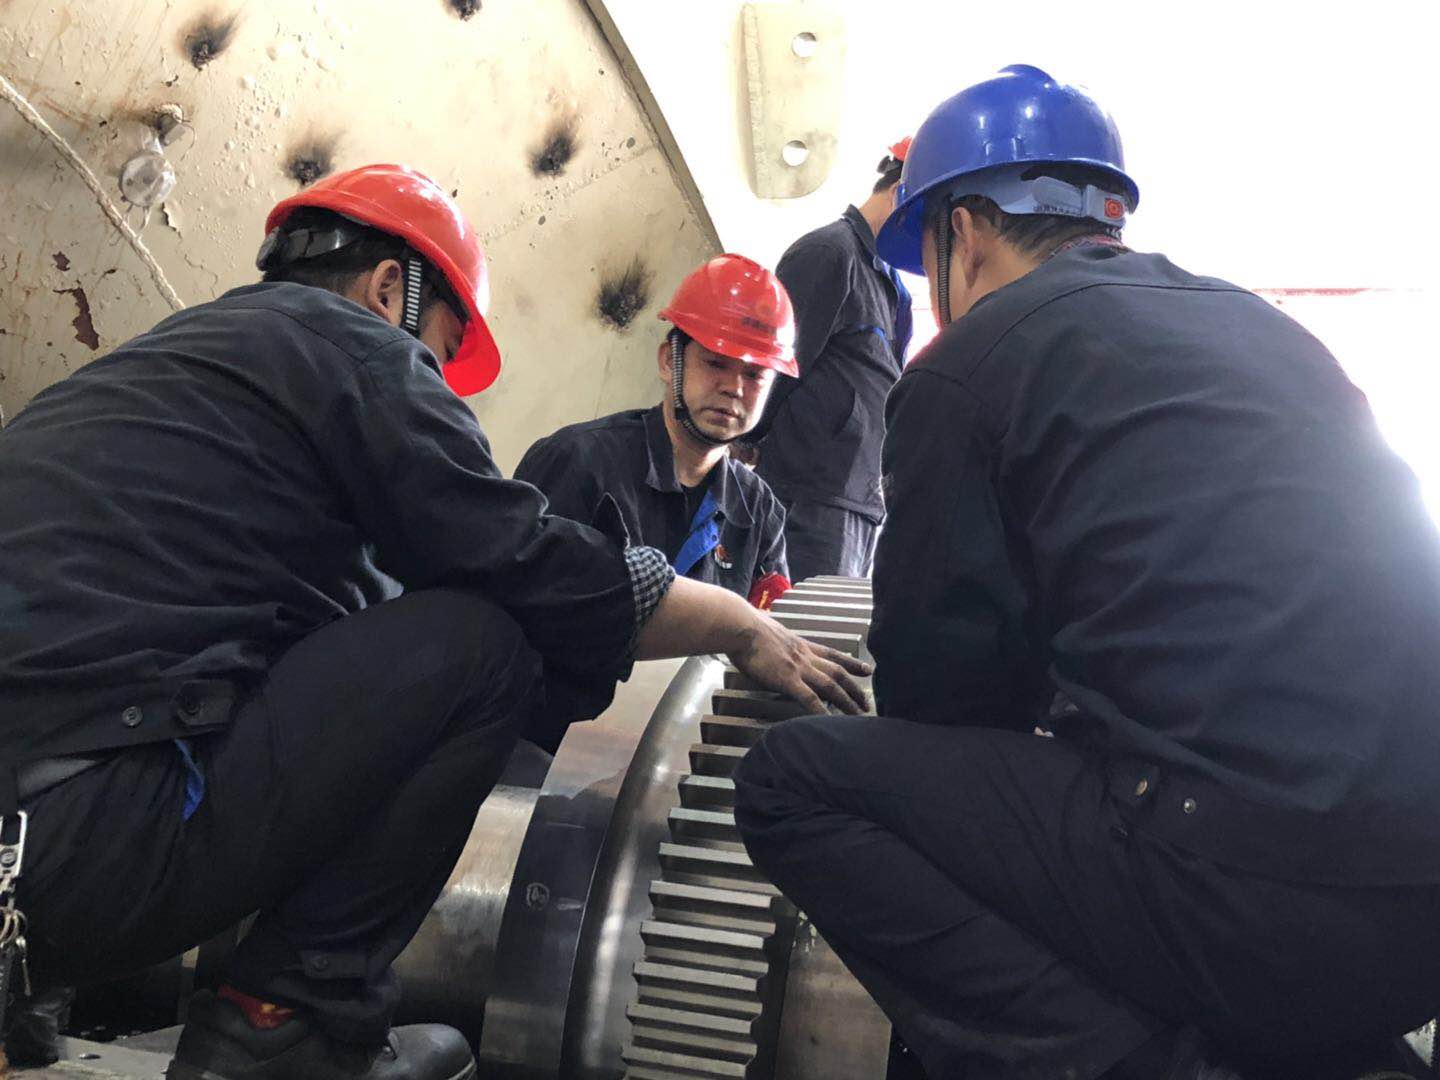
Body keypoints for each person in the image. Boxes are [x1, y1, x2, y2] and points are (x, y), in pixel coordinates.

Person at [0, 164, 869, 1080]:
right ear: (390, 290)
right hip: (74, 850)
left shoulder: (175, 362)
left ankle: (37, 987)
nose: (440, 380)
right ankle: (288, 1021)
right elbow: (515, 559)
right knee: (481, 646)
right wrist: (735, 625)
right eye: (443, 350)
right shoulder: (356, 351)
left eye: (753, 373)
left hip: (34, 839)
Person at [733, 64, 1440, 1080]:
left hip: (1241, 898)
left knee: (794, 782)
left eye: (929, 261)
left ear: (964, 231)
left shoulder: (973, 365)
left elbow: (945, 703)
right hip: (1415, 914)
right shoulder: (1263, 329)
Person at [515, 255, 794, 608]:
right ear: (668, 361)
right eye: (715, 363)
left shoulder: (759, 510)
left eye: (755, 375)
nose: (734, 388)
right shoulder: (579, 462)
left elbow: (769, 626)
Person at [745, 138, 914, 582]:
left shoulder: (892, 288)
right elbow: (779, 361)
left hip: (857, 497)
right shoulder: (830, 254)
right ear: (900, 193)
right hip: (809, 496)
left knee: (833, 623)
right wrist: (749, 434)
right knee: (798, 622)